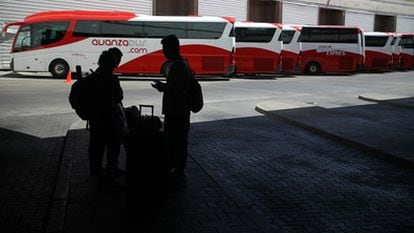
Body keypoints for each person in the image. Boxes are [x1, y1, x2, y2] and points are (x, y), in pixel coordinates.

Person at [152, 34, 191, 187]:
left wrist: (162, 87)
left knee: (177, 142)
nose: (163, 52)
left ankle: (178, 173)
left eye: (164, 48)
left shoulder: (177, 66)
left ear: (171, 48)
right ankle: (177, 171)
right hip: (179, 110)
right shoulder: (182, 64)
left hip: (176, 111)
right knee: (179, 142)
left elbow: (175, 89)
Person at [88, 48, 125, 188]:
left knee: (96, 148)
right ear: (112, 64)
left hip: (96, 119)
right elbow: (119, 97)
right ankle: (110, 176)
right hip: (109, 119)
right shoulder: (112, 79)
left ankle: (97, 173)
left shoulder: (93, 77)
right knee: (112, 149)